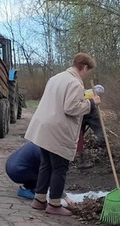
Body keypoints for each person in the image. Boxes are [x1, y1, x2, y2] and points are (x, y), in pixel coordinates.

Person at [25, 53, 101, 216]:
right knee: (59, 167)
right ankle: (54, 204)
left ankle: (39, 200)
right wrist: (91, 103)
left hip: (44, 127)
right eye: (88, 71)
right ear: (84, 67)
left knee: (46, 164)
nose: (87, 74)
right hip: (57, 129)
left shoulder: (56, 78)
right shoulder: (74, 82)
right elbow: (71, 108)